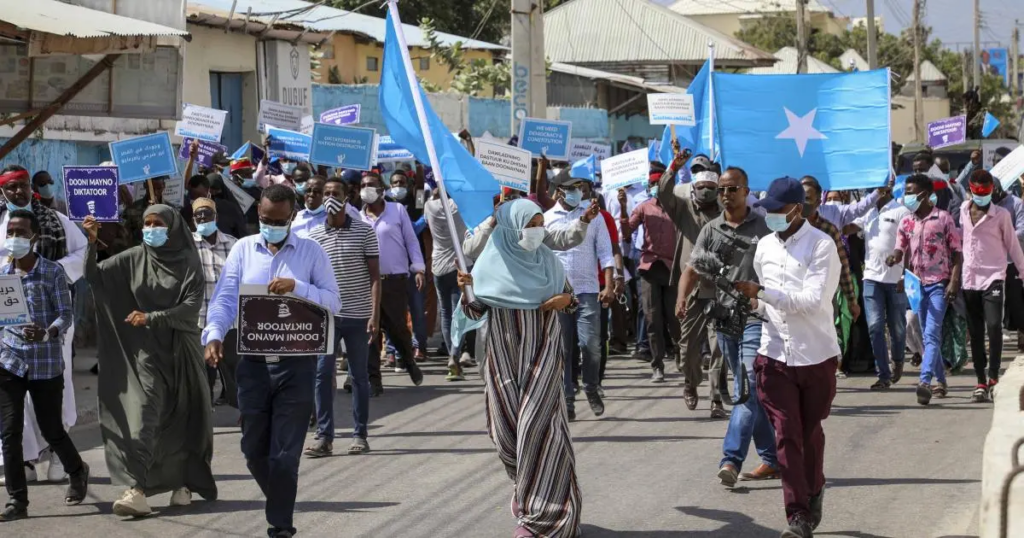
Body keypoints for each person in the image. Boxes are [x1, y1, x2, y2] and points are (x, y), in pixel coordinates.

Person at [202, 185, 340, 538]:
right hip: (253, 364)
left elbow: (333, 302)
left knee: (284, 455)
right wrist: (214, 334)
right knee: (253, 451)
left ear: (291, 217)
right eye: (265, 219)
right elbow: (225, 299)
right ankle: (281, 498)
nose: (270, 226)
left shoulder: (311, 252)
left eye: (278, 221)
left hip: (297, 365)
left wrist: (298, 287)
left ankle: (280, 525)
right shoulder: (243, 249)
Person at [454, 199, 581, 538]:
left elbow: (573, 301)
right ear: (511, 228)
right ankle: (524, 485)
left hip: (543, 356)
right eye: (530, 225)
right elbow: (474, 312)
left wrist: (565, 300)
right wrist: (466, 290)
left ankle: (546, 518)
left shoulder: (548, 261)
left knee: (536, 428)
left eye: (540, 224)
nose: (537, 231)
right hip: (503, 361)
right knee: (505, 435)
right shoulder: (488, 262)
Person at [82, 206, 217, 517]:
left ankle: (182, 481)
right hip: (147, 352)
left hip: (181, 349)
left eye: (158, 224)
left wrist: (152, 317)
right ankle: (136, 489)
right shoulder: (133, 258)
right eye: (147, 223)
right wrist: (91, 243)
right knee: (145, 414)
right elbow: (94, 277)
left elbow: (191, 306)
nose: (151, 228)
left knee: (184, 417)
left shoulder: (188, 261)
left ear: (172, 228)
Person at [734, 177, 841, 538]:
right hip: (774, 354)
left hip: (816, 355)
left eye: (777, 210)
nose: (771, 216)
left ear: (797, 209)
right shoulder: (764, 246)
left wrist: (763, 292)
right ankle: (797, 515)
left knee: (810, 433)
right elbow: (765, 302)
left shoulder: (822, 245)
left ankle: (814, 489)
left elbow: (812, 301)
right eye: (768, 210)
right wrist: (752, 302)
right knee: (787, 434)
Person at [678, 167, 779, 487]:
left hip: (756, 318)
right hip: (724, 320)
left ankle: (731, 460)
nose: (725, 194)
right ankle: (773, 458)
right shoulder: (711, 229)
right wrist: (681, 298)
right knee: (751, 394)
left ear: (746, 191)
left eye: (732, 189)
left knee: (745, 387)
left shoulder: (765, 227)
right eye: (722, 189)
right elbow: (692, 269)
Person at [0, 166, 87, 485]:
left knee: (51, 389)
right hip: (8, 323)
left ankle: (56, 454)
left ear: (30, 187)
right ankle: (23, 460)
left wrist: (53, 271)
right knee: (14, 397)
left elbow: (81, 250)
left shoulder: (56, 220)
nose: (18, 191)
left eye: (22, 185)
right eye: (11, 187)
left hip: (51, 318)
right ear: (2, 192)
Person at [305, 181, 380, 457]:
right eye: (326, 194)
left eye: (335, 194)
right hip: (327, 316)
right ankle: (324, 436)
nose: (329, 198)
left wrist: (374, 314)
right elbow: (310, 278)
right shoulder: (314, 236)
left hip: (358, 315)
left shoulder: (364, 231)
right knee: (322, 374)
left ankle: (360, 434)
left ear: (346, 198)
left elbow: (375, 277)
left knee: (358, 376)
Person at [656, 152, 728, 418]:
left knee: (718, 345)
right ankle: (691, 381)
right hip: (689, 289)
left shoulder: (726, 213)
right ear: (693, 188)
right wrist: (673, 168)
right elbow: (663, 193)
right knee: (687, 347)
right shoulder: (683, 209)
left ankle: (716, 399)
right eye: (701, 187)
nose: (706, 191)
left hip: (719, 288)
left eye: (711, 187)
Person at [887, 174, 962, 406]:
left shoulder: (943, 218)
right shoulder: (906, 222)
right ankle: (941, 381)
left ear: (924, 194)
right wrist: (895, 259)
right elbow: (901, 248)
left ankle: (925, 381)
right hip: (916, 286)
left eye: (910, 192)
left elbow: (957, 253)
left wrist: (954, 281)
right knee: (926, 333)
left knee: (931, 333)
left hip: (939, 284)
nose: (906, 196)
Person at [544, 174, 611, 421]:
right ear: (560, 191)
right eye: (572, 189)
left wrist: (609, 284)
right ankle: (568, 399)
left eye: (580, 189)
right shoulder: (547, 219)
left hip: (588, 290)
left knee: (590, 344)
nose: (578, 193)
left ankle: (591, 387)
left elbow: (605, 251)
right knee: (563, 349)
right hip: (558, 293)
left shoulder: (594, 216)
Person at [959, 170, 1024, 402]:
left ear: (992, 190)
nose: (982, 196)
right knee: (976, 332)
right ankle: (981, 381)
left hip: (994, 276)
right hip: (969, 278)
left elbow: (1013, 246)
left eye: (986, 191)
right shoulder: (963, 210)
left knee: (994, 325)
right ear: (971, 189)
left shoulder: (1002, 215)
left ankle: (994, 375)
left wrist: (1023, 272)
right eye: (978, 191)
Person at [621, 161, 687, 384]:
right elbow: (627, 233)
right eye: (652, 184)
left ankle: (679, 354)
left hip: (672, 269)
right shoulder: (644, 207)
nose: (655, 187)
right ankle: (657, 364)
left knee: (675, 318)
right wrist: (622, 207)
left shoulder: (678, 207)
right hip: (649, 268)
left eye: (659, 184)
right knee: (652, 319)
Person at [359, 173, 425, 392]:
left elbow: (411, 241)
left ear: (381, 189)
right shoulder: (357, 217)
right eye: (363, 185)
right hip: (367, 283)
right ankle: (374, 380)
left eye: (371, 185)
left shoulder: (398, 210)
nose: (366, 188)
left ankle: (408, 360)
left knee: (398, 329)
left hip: (394, 281)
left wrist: (418, 268)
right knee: (370, 331)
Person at [848, 177, 910, 390]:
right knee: (875, 326)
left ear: (886, 189)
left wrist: (904, 275)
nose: (872, 192)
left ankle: (898, 360)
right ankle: (883, 374)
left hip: (896, 280)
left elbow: (909, 245)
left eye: (876, 188)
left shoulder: (901, 211)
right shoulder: (867, 211)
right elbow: (848, 227)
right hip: (871, 278)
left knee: (897, 328)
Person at [423, 190, 475, 381]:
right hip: (461, 263)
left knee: (446, 313)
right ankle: (454, 354)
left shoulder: (429, 206)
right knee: (459, 313)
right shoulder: (461, 205)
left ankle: (452, 356)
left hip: (439, 266)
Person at [192, 198, 239, 407]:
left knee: (236, 372)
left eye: (207, 214)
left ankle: (244, 412)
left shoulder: (234, 244)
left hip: (230, 322)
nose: (203, 219)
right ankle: (205, 415)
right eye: (199, 216)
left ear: (216, 217)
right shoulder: (186, 245)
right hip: (199, 321)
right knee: (202, 375)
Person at [123, 176, 167, 244]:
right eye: (151, 189)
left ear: (164, 186)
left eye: (159, 188)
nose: (155, 192)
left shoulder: (170, 210)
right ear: (145, 185)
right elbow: (125, 234)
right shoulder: (132, 208)